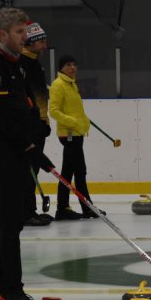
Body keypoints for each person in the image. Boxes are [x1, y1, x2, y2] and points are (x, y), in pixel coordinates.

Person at [0, 7, 55, 300]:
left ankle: (1, 286)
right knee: (10, 220)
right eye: (20, 32)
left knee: (10, 221)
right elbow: (2, 118)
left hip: (17, 147)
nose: (26, 37)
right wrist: (31, 146)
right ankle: (12, 290)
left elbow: (24, 107)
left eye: (26, 32)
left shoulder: (17, 66)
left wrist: (37, 132)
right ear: (3, 34)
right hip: (1, 149)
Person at [49, 55, 104, 220]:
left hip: (77, 133)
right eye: (68, 64)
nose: (73, 67)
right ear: (61, 67)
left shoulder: (71, 84)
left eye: (74, 64)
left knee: (68, 172)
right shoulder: (58, 85)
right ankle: (88, 208)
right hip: (69, 134)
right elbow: (54, 111)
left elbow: (74, 109)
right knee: (80, 171)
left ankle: (63, 208)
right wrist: (73, 122)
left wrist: (84, 121)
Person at [21, 21, 53, 226]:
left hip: (39, 123)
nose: (45, 45)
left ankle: (29, 210)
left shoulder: (35, 63)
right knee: (28, 169)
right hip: (30, 125)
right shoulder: (23, 64)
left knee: (34, 169)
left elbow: (40, 95)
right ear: (30, 42)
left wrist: (45, 120)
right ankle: (25, 213)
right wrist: (35, 123)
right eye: (41, 42)